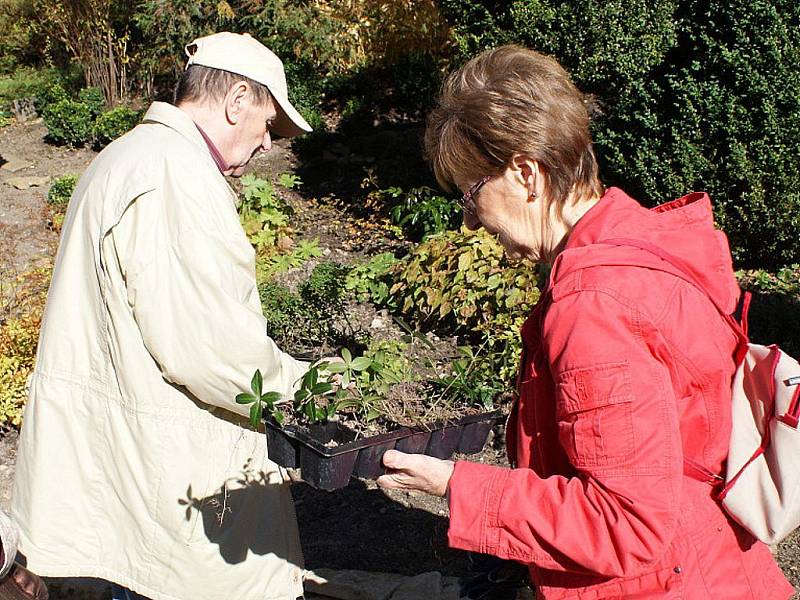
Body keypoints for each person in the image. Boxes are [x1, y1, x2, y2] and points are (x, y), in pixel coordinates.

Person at [377, 45, 795, 599]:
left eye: (473, 194)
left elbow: (626, 526)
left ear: (526, 175)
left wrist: (455, 485)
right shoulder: (643, 249)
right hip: (712, 561)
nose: (471, 220)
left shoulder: (594, 304)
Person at [12, 32, 313, 600]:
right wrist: (314, 386)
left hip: (116, 471)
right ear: (237, 99)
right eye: (270, 125)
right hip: (161, 482)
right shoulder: (176, 176)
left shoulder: (129, 155)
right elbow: (210, 350)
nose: (268, 145)